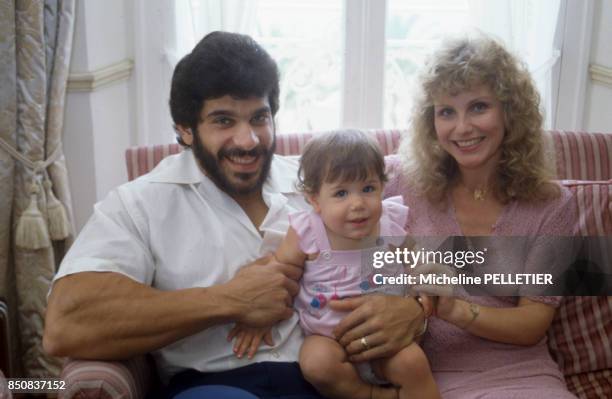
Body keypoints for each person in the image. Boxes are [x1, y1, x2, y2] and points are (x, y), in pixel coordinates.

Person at [43, 31, 427, 399]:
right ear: (186, 129)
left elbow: (471, 267)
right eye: (224, 121)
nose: (248, 140)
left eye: (259, 118)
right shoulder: (139, 204)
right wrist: (227, 301)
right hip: (213, 384)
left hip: (326, 380)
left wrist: (417, 308)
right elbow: (65, 326)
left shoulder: (329, 188)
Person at [385, 34, 578, 398]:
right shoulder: (397, 181)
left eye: (478, 107)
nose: (462, 128)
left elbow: (533, 323)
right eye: (447, 112)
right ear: (431, 122)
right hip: (424, 378)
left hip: (521, 377)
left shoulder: (553, 205)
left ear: (510, 111)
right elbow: (324, 205)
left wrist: (455, 309)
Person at [229, 131, 440, 399]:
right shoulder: (307, 231)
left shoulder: (388, 223)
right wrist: (260, 316)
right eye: (341, 193)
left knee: (413, 364)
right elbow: (281, 276)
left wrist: (423, 291)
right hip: (328, 338)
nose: (358, 204)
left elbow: (420, 261)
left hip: (387, 339)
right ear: (314, 199)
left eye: (368, 188)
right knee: (316, 364)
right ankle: (371, 395)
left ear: (382, 187)